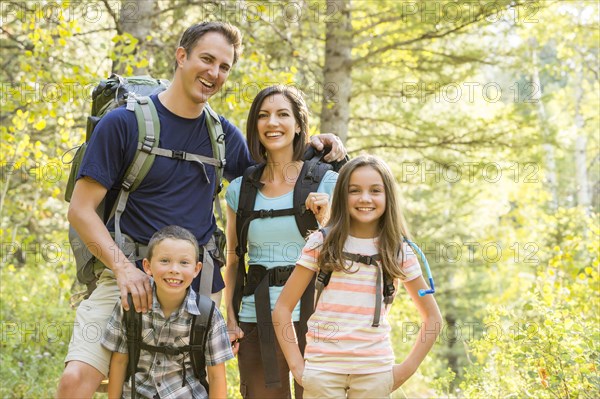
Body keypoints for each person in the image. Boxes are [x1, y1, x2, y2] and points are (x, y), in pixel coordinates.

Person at [57, 21, 346, 398]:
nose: (214, 73)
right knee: (76, 380)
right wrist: (124, 269)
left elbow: (270, 174)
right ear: (181, 56)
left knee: (205, 387)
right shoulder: (123, 124)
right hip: (128, 274)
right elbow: (81, 210)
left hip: (197, 284)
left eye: (224, 67)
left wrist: (315, 146)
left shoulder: (221, 134)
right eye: (206, 59)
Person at [272, 155, 443, 399]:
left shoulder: (398, 250)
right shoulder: (321, 242)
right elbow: (282, 309)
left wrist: (404, 371)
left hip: (375, 373)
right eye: (355, 190)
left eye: (375, 190)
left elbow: (433, 318)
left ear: (388, 197)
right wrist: (298, 369)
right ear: (342, 195)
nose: (365, 198)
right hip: (323, 371)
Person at [223, 85, 338, 399]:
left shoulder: (327, 180)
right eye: (263, 115)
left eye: (282, 114)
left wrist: (325, 217)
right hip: (255, 319)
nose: (272, 122)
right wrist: (230, 321)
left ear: (299, 124)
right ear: (255, 125)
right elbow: (233, 260)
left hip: (314, 318)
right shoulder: (239, 189)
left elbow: (344, 253)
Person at [101, 225, 232, 398]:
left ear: (196, 269)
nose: (174, 269)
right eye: (164, 261)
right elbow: (119, 362)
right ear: (147, 266)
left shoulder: (208, 315)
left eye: (184, 262)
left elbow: (216, 376)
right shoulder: (130, 307)